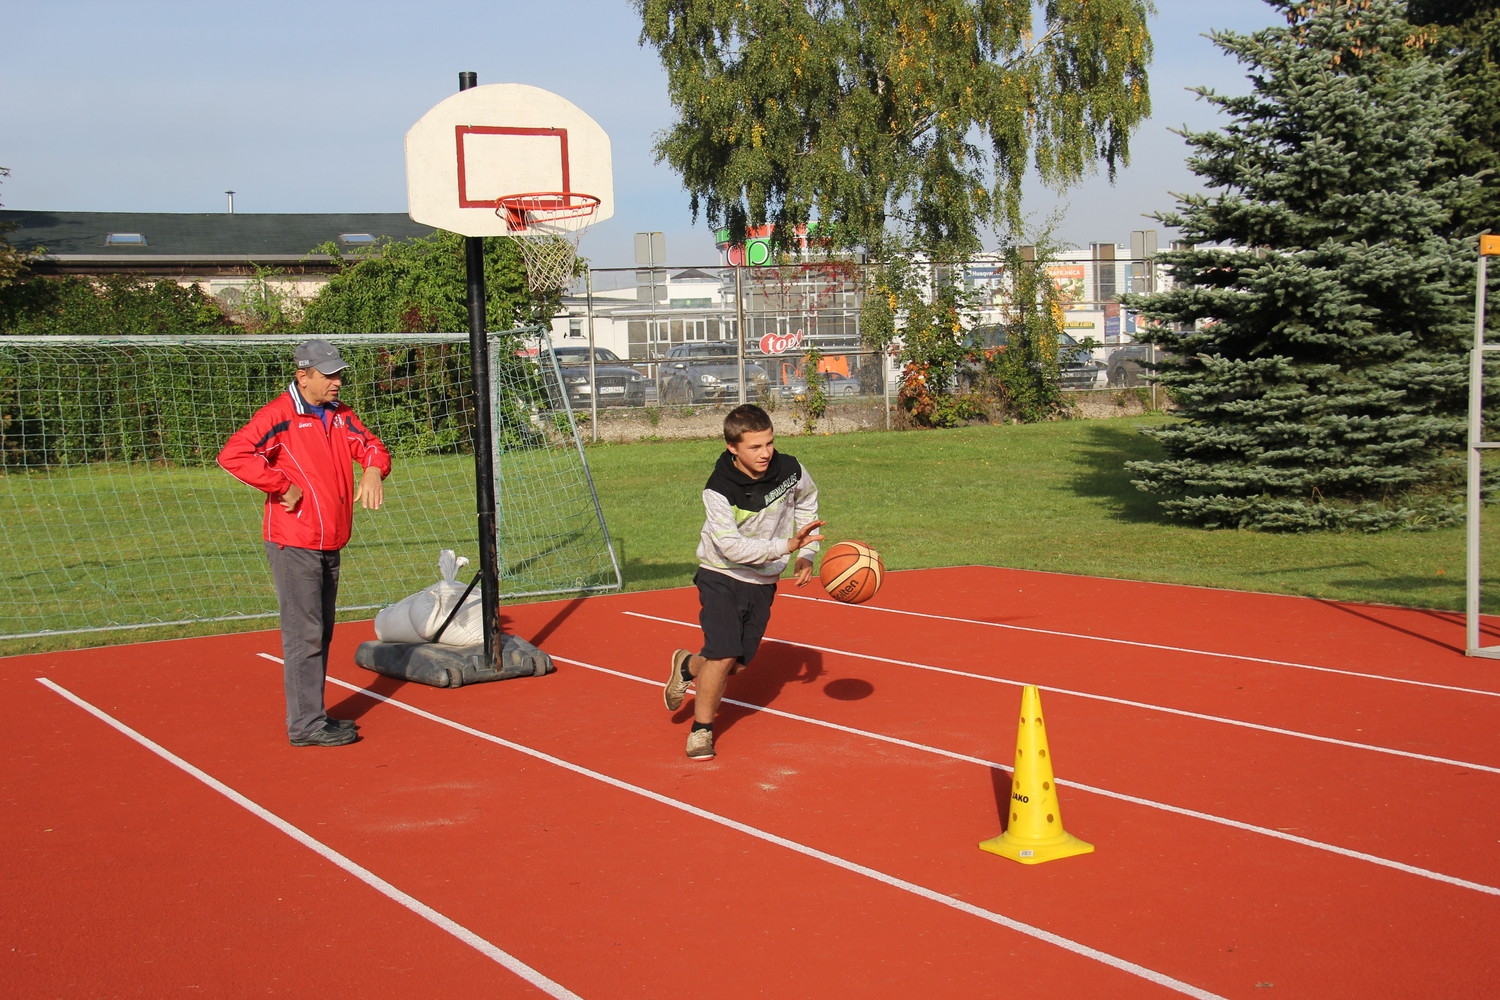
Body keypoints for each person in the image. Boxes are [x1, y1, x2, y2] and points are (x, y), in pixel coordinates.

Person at [218, 339, 391, 748]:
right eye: (328, 374)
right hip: (293, 541)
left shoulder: (339, 415)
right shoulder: (278, 415)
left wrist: (371, 471)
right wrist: (280, 485)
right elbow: (233, 454)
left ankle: (314, 715)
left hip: (330, 539)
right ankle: (306, 726)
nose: (337, 382)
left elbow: (372, 446)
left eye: (339, 374)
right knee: (305, 633)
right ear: (303, 375)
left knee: (321, 630)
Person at [664, 403, 824, 760]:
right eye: (755, 446)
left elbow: (807, 501)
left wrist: (805, 553)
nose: (766, 453)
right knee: (722, 655)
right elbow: (731, 547)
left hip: (763, 579)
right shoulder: (718, 489)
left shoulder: (791, 469)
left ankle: (688, 665)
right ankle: (701, 731)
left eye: (769, 443)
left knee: (736, 665)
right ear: (732, 448)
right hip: (721, 573)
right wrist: (786, 545)